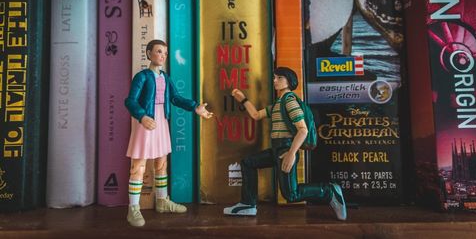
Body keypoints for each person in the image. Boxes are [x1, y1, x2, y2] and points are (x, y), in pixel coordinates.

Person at [223, 67, 347, 220]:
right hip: (277, 149)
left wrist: (291, 153)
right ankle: (248, 204)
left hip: (286, 149)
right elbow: (256, 115)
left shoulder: (290, 101)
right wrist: (243, 99)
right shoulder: (278, 103)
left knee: (291, 194)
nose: (275, 80)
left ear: (289, 81)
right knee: (248, 162)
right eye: (275, 77)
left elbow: (303, 130)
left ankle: (329, 191)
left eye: (279, 78)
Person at [125, 39, 213, 227]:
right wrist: (141, 116)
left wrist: (195, 106)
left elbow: (175, 97)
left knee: (161, 163)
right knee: (138, 165)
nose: (162, 55)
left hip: (161, 122)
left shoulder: (165, 77)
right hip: (146, 122)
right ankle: (133, 207)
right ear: (149, 54)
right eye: (158, 51)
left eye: (165, 52)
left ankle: (162, 200)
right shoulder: (142, 77)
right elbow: (130, 101)